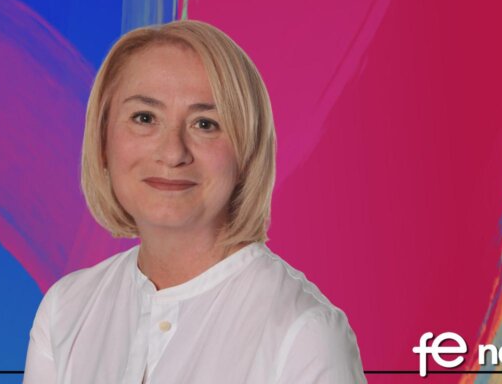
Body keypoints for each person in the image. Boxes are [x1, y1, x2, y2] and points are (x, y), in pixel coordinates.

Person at [23, 20, 366, 384]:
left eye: (205, 124)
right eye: (144, 118)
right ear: (103, 140)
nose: (173, 153)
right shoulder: (66, 309)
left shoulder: (304, 334)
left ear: (246, 152)